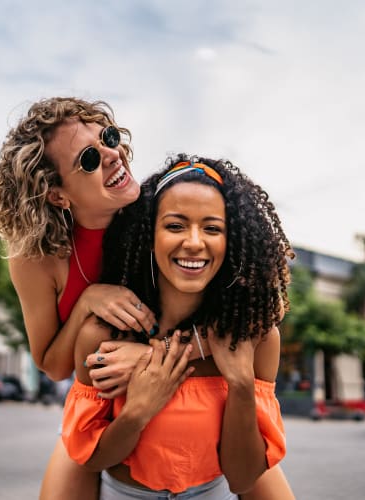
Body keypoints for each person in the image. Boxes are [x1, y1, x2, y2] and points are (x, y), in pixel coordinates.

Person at [62, 155, 295, 498]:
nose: (194, 242)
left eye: (212, 228)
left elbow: (243, 479)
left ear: (230, 242)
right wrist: (138, 410)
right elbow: (93, 459)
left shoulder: (255, 338)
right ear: (149, 236)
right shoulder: (103, 335)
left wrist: (241, 384)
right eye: (175, 225)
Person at [0, 97, 158, 499]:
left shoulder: (165, 217)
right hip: (94, 408)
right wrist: (87, 302)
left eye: (108, 138)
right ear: (58, 194)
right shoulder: (35, 259)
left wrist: (148, 358)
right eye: (89, 160)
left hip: (177, 390)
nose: (113, 155)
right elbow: (51, 365)